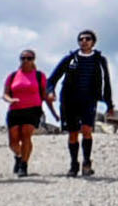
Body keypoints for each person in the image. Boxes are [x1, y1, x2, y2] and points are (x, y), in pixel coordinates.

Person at [47, 29, 114, 179]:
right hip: (69, 100)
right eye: (81, 39)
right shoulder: (70, 59)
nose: (84, 41)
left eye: (87, 39)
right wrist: (51, 91)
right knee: (72, 133)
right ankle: (73, 164)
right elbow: (52, 79)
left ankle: (86, 163)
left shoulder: (99, 60)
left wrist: (109, 104)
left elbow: (106, 81)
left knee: (87, 130)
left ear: (93, 42)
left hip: (89, 100)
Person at [1, 49, 47, 177]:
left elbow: (44, 93)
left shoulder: (39, 75)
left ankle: (24, 165)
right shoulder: (13, 76)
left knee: (26, 136)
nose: (26, 60)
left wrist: (50, 104)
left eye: (29, 58)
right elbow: (5, 93)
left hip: (32, 109)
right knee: (13, 142)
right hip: (15, 110)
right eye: (23, 58)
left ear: (33, 60)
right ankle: (19, 155)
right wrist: (10, 99)